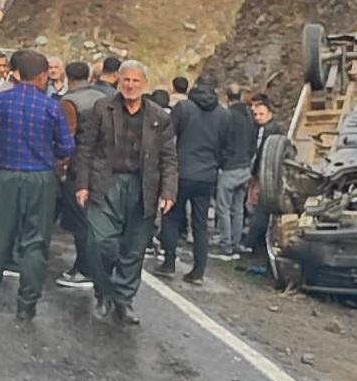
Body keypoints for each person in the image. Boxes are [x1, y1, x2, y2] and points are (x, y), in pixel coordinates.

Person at [0, 49, 76, 321]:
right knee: (35, 241)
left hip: (4, 174)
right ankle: (27, 302)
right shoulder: (51, 106)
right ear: (42, 76)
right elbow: (67, 146)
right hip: (40, 178)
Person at [75, 61, 178, 323]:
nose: (130, 86)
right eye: (126, 81)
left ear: (145, 84)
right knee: (100, 243)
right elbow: (86, 148)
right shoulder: (102, 108)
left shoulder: (159, 116)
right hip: (106, 183)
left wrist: (168, 191)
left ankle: (123, 300)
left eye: (135, 81)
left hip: (143, 186)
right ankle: (103, 292)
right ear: (118, 82)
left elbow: (169, 157)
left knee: (134, 248)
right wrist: (82, 184)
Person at [157, 75, 230, 284]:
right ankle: (198, 271)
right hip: (208, 175)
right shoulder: (223, 115)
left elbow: (169, 136)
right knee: (200, 224)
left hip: (182, 170)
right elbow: (225, 145)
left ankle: (169, 263)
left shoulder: (184, 108)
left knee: (171, 216)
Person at [57, 60, 102, 289]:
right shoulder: (102, 97)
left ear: (68, 76)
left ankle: (85, 268)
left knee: (79, 220)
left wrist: (60, 167)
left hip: (78, 166)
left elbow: (67, 136)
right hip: (100, 165)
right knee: (94, 219)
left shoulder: (69, 101)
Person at [213, 82, 256, 261]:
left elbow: (221, 141)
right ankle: (236, 242)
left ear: (226, 97)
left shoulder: (227, 116)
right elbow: (253, 143)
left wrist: (221, 161)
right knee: (238, 208)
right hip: (245, 168)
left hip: (229, 168)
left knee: (223, 207)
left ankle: (226, 244)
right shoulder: (249, 116)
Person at [241, 94, 282, 254]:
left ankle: (253, 242)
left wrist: (257, 175)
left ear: (270, 114)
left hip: (266, 175)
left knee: (260, 208)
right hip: (257, 172)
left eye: (261, 114)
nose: (258, 118)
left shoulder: (274, 132)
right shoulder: (258, 129)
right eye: (256, 115)